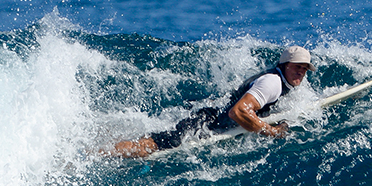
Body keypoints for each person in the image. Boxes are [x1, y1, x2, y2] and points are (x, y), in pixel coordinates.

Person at [109, 46, 316, 158]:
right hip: (206, 123)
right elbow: (239, 112)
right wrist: (272, 131)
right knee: (152, 146)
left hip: (210, 116)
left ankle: (106, 149)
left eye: (305, 69)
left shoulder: (278, 80)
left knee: (155, 141)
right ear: (284, 64)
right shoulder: (273, 82)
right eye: (297, 66)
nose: (301, 71)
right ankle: (100, 153)